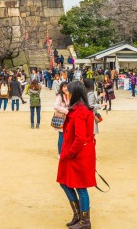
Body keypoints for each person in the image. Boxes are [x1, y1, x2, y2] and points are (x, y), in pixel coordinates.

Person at [57, 81, 96, 229]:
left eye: (69, 91)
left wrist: (68, 153)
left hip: (77, 154)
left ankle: (84, 220)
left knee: (79, 187)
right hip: (76, 152)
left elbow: (79, 137)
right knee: (65, 182)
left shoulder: (79, 112)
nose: (67, 93)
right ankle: (78, 215)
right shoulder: (79, 109)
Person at [53, 82, 70, 155]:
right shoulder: (59, 96)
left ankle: (65, 151)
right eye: (64, 87)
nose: (66, 88)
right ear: (61, 88)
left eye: (67, 87)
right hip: (61, 118)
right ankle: (60, 153)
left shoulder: (68, 95)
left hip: (67, 118)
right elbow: (55, 106)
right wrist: (66, 110)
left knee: (67, 136)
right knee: (61, 136)